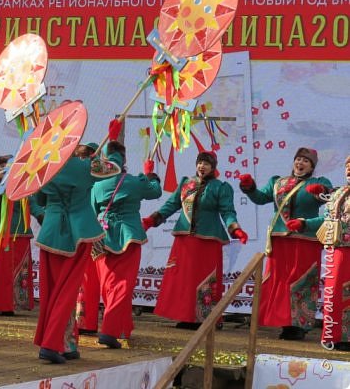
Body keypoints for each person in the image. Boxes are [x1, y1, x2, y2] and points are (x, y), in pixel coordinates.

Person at [33, 140, 121, 364]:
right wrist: (112, 147)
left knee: (51, 291)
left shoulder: (45, 167)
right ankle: (51, 344)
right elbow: (115, 167)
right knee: (67, 292)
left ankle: (65, 343)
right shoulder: (85, 167)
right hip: (78, 232)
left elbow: (39, 199)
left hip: (51, 231)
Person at [143, 151, 248, 330]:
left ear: (213, 167)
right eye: (200, 162)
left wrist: (235, 229)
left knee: (204, 279)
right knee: (183, 279)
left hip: (208, 241)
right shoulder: (186, 183)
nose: (202, 166)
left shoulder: (220, 187)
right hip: (185, 239)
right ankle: (185, 316)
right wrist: (153, 219)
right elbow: (171, 205)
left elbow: (228, 212)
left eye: (206, 163)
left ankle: (205, 318)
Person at [239, 147, 331, 340]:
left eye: (306, 161)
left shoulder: (319, 182)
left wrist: (321, 192)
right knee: (279, 280)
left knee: (302, 280)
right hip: (280, 238)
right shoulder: (278, 182)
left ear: (312, 166)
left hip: (305, 239)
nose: (300, 163)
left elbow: (330, 198)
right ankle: (283, 321)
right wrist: (249, 187)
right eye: (298, 159)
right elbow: (260, 198)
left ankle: (299, 325)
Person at [91, 141, 162, 348]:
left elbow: (92, 209)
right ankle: (110, 331)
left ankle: (121, 328)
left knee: (108, 285)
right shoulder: (132, 181)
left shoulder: (96, 184)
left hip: (102, 236)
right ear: (123, 160)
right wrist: (150, 173)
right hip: (128, 235)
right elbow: (155, 191)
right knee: (122, 285)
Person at [0, 154, 44, 315]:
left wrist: (43, 217)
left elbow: (33, 206)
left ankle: (10, 305)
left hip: (16, 235)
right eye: (1, 166)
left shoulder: (22, 187)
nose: (4, 168)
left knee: (11, 271)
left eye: (9, 166)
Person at [313, 155, 350, 351]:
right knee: (333, 292)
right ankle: (332, 335)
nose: (349, 170)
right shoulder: (338, 193)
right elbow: (325, 218)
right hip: (336, 250)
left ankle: (347, 336)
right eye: (347, 167)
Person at [74, 142, 102, 336]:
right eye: (80, 157)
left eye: (87, 157)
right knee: (77, 279)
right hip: (75, 232)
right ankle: (77, 321)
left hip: (92, 233)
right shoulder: (73, 178)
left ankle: (88, 322)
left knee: (90, 279)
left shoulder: (99, 181)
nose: (83, 161)